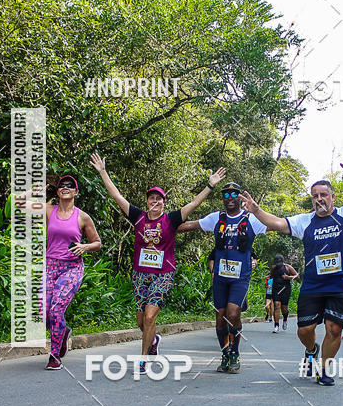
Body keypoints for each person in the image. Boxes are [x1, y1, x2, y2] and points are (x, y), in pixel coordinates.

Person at [240, 160, 343, 386]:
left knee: (334, 329)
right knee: (305, 329)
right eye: (315, 196)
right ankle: (311, 349)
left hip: (339, 285)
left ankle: (325, 369)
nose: (319, 199)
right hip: (313, 286)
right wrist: (256, 210)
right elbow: (279, 223)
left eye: (323, 195)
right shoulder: (305, 221)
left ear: (332, 197)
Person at [91, 154, 226, 369]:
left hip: (163, 274)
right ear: (147, 202)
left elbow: (193, 203)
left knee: (151, 316)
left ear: (164, 202)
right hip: (140, 274)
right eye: (152, 198)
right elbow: (116, 195)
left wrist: (210, 185)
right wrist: (102, 171)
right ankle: (153, 340)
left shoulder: (171, 219)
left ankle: (144, 359)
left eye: (159, 199)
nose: (155, 202)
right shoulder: (138, 217)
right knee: (140, 320)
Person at [178, 182, 267, 373]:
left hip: (240, 277)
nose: (230, 199)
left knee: (233, 314)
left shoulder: (251, 219)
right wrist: (163, 226)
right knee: (220, 318)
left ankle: (235, 352)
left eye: (234, 194)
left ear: (240, 197)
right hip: (220, 277)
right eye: (226, 195)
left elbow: (277, 224)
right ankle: (225, 352)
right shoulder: (216, 218)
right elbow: (190, 225)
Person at [23, 175, 102, 371]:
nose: (65, 187)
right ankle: (63, 331)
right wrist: (35, 192)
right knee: (44, 311)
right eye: (62, 186)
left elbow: (97, 243)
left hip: (72, 268)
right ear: (57, 192)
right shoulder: (49, 210)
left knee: (56, 309)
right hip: (50, 266)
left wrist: (84, 247)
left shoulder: (83, 217)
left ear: (76, 192)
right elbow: (20, 204)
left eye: (70, 186)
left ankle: (55, 355)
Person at [269, 254, 298, 332]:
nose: (278, 265)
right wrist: (268, 278)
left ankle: (285, 319)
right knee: (276, 305)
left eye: (279, 263)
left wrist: (288, 277)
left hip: (285, 289)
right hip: (276, 289)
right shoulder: (273, 268)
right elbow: (271, 276)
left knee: (284, 308)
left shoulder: (288, 268)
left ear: (282, 262)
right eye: (276, 264)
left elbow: (297, 276)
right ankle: (276, 325)